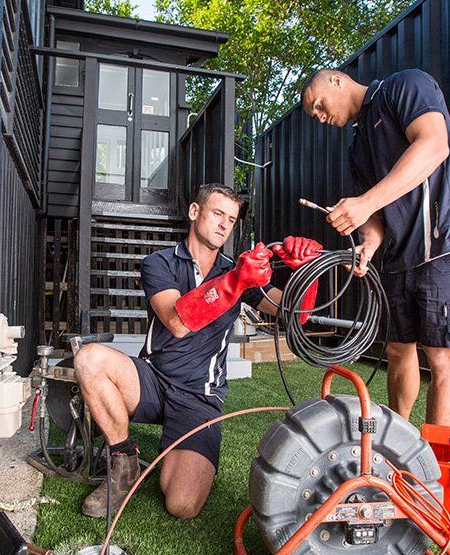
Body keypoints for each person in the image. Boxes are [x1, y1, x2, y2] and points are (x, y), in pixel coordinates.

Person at [73, 183, 322, 519]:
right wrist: (235, 282)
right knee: (89, 359)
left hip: (199, 396)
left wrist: (304, 272)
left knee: (182, 505)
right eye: (218, 213)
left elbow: (297, 315)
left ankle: (182, 452)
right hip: (151, 381)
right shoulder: (159, 263)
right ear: (195, 212)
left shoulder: (236, 270)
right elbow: (177, 321)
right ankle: (124, 461)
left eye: (231, 219)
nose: (224, 224)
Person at [301, 68, 450, 427]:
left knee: (442, 356)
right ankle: (397, 442)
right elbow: (376, 216)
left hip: (446, 244)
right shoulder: (358, 147)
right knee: (398, 349)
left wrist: (364, 202)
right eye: (315, 116)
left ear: (337, 81)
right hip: (400, 256)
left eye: (320, 106)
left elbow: (435, 144)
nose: (321, 117)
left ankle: (431, 463)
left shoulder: (405, 86)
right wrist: (368, 244)